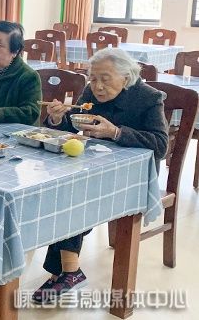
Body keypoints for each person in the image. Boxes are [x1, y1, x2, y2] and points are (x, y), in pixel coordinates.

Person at [32, 48, 168, 305]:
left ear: (126, 77)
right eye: (93, 79)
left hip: (133, 177)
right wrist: (57, 118)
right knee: (62, 184)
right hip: (95, 166)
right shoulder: (90, 92)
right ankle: (68, 270)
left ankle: (64, 271)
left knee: (73, 192)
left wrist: (116, 132)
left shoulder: (149, 98)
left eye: (105, 79)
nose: (98, 86)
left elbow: (161, 146)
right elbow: (73, 121)